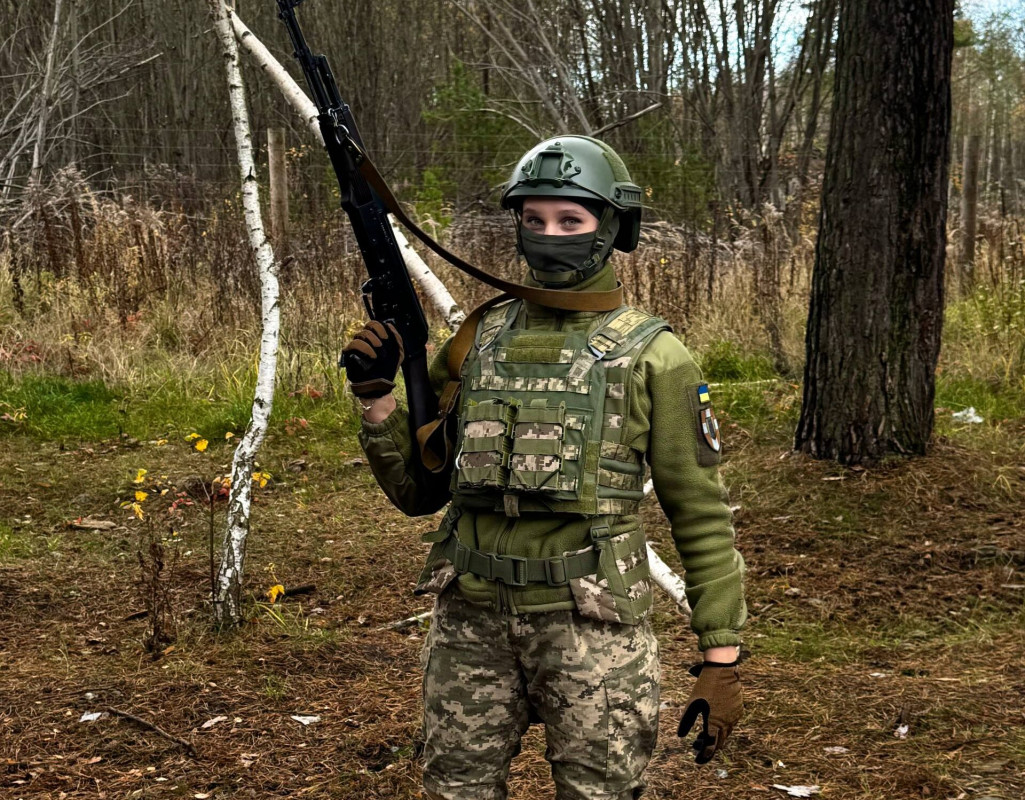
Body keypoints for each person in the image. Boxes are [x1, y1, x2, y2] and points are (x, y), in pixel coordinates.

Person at [342, 135, 747, 800]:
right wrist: (377, 399)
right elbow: (420, 493)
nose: (547, 236)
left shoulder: (654, 357)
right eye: (532, 220)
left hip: (590, 631)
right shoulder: (478, 341)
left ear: (610, 227)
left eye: (570, 220)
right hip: (470, 624)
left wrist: (720, 659)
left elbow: (699, 515)